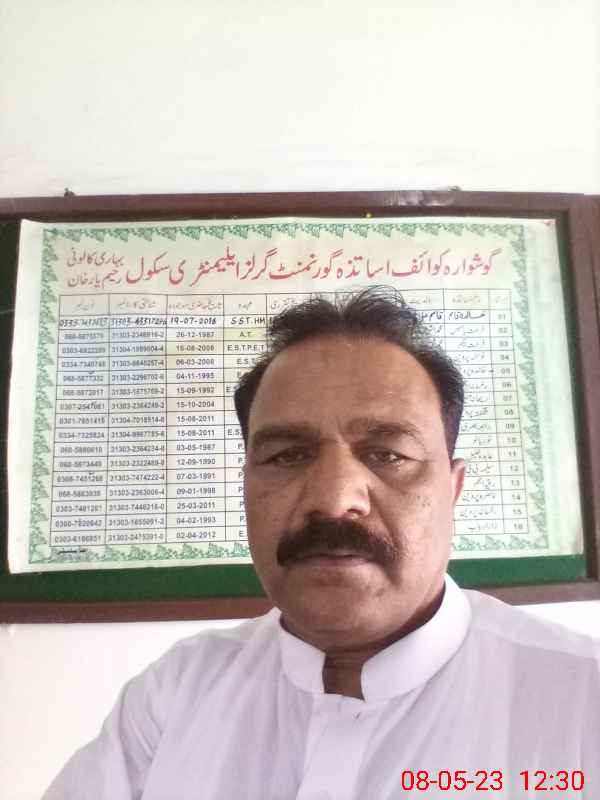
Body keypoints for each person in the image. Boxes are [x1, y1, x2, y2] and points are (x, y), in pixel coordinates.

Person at [43, 287, 599, 799]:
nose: (334, 500)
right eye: (287, 455)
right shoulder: (177, 693)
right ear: (245, 485)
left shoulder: (581, 700)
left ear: (452, 489)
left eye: (388, 455)